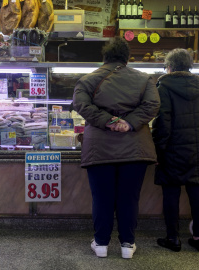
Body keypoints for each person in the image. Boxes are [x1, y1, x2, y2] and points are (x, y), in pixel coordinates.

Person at [72, 37, 160, 259]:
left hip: (99, 148)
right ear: (127, 58)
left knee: (102, 197)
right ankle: (127, 245)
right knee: (129, 198)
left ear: (105, 57)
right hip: (135, 147)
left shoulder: (87, 80)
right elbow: (152, 104)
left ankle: (101, 244)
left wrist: (109, 121)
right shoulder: (144, 79)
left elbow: (81, 104)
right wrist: (128, 122)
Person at [152, 48, 199, 252]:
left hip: (172, 151)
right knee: (196, 194)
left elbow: (163, 124)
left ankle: (173, 238)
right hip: (197, 151)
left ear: (169, 67)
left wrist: (158, 152)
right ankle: (197, 237)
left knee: (171, 195)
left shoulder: (164, 86)